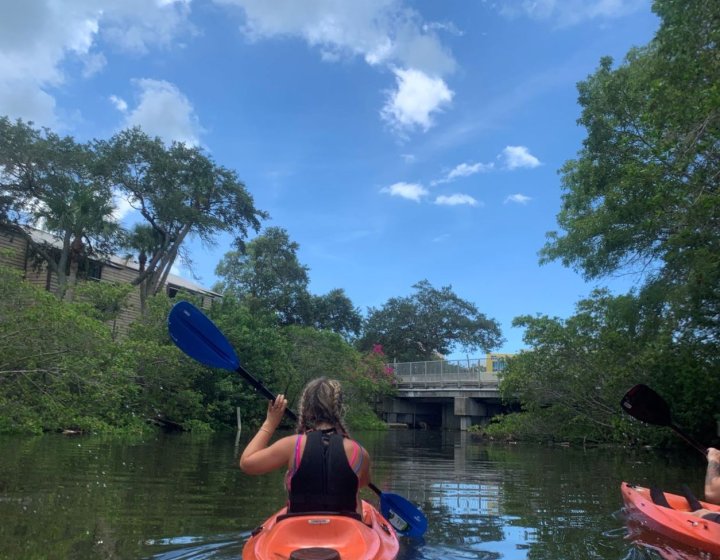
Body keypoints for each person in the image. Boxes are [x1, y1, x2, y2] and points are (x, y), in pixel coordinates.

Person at [239, 377, 371, 516]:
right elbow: (363, 483)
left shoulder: (292, 445)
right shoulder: (360, 452)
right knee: (356, 494)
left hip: (299, 528)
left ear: (306, 409)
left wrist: (270, 423)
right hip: (347, 531)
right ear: (339, 408)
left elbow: (247, 463)